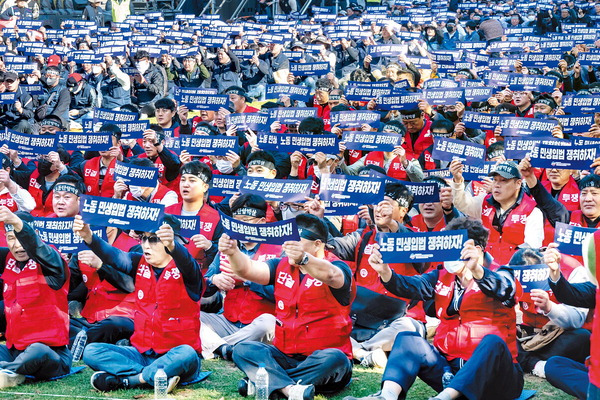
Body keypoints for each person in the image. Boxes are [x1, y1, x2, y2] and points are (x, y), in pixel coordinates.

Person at [344, 217, 523, 400]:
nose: (448, 257)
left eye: (454, 250)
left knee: (492, 342)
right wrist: (385, 272)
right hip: (452, 372)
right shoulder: (442, 275)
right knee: (407, 339)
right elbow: (411, 285)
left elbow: (506, 289)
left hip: (497, 378)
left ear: (476, 250)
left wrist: (477, 269)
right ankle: (387, 396)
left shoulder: (502, 272)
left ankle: (444, 398)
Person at [222, 214, 354, 400]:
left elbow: (333, 276)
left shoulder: (337, 267)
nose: (288, 248)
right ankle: (290, 390)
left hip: (322, 360)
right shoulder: (281, 265)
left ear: (317, 244)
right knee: (243, 349)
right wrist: (233, 252)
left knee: (335, 359)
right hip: (286, 356)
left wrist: (304, 259)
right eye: (288, 242)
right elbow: (247, 270)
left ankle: (265, 384)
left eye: (296, 243)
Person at [75, 214, 203, 393]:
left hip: (175, 355)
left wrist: (173, 245)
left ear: (171, 241)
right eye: (144, 238)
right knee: (92, 351)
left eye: (154, 239)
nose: (146, 245)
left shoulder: (188, 271)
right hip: (142, 355)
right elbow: (114, 256)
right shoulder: (139, 262)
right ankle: (153, 377)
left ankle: (129, 381)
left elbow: (186, 261)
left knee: (187, 354)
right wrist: (88, 236)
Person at [0, 207, 71, 386]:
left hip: (51, 353)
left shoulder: (50, 260)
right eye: (11, 239)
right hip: (15, 350)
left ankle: (9, 371)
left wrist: (17, 223)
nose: (17, 246)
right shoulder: (8, 259)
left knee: (37, 351)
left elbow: (38, 247)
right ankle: (12, 370)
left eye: (21, 238)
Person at [201, 194, 278, 360]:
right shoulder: (228, 247)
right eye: (236, 220)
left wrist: (248, 277)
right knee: (191, 314)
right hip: (228, 321)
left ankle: (216, 346)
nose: (240, 225)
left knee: (269, 323)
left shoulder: (277, 250)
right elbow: (204, 286)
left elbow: (284, 293)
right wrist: (214, 281)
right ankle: (227, 349)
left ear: (262, 222)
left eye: (246, 220)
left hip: (259, 324)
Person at [449, 160, 544, 264]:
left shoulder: (532, 211)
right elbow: (461, 204)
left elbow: (531, 250)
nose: (497, 185)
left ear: (518, 183)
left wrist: (505, 271)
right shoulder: (484, 201)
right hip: (485, 272)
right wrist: (457, 181)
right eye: (495, 180)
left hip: (513, 272)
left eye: (503, 180)